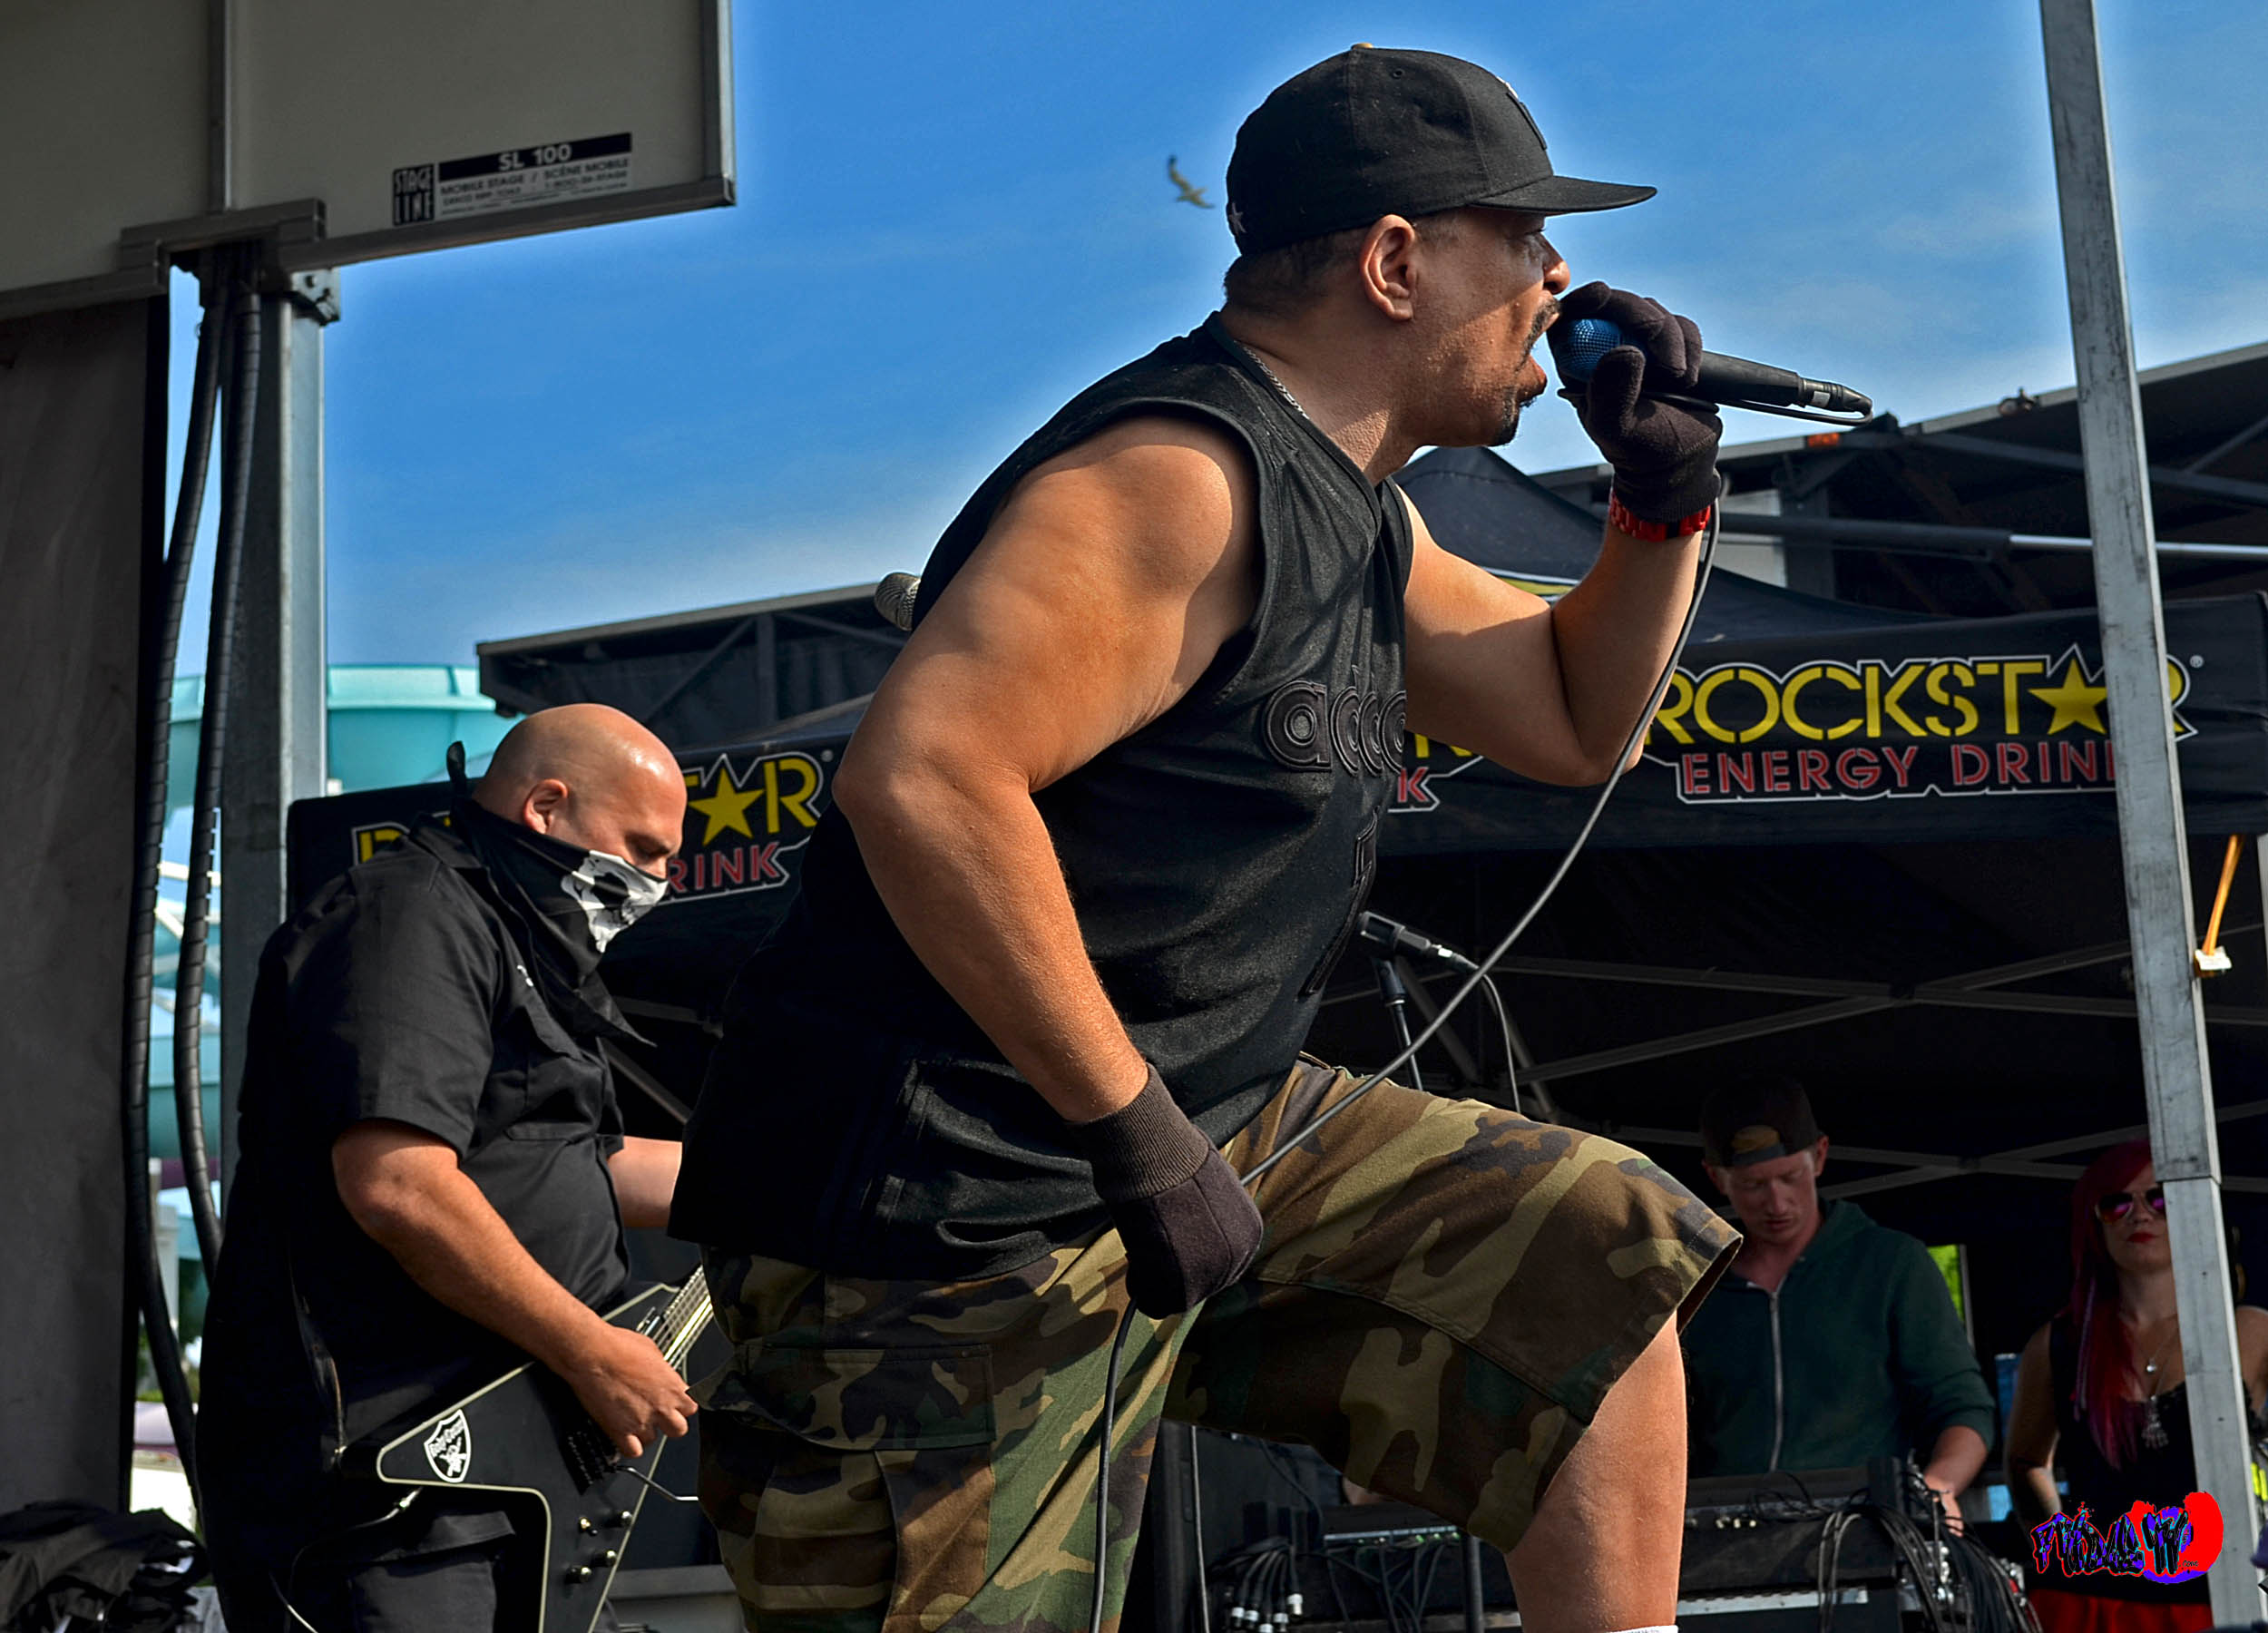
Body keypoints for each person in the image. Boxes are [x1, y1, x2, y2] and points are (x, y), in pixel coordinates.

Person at [672, 45, 1740, 1633]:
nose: (1558, 279)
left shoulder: (1365, 515)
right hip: (944, 1217)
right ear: (1395, 264)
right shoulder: (1178, 478)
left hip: (1211, 1131)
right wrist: (1139, 1135)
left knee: (1592, 1256)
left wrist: (1663, 502)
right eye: (1521, 237)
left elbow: (1582, 720)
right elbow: (927, 780)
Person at [199, 704, 702, 1633]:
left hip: (502, 1473)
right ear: (546, 806)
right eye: (643, 849)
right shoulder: (410, 913)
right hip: (389, 1482)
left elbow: (573, 1164)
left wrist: (800, 1181)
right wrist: (589, 1349)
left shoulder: (524, 943)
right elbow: (399, 1184)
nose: (658, 882)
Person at [1680, 1077, 1995, 1524]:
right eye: (1753, 1185)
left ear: (1820, 1156)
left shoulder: (1891, 1263)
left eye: (1790, 1177)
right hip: (1724, 1534)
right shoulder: (1697, 1289)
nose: (1776, 1203)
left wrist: (1939, 1488)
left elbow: (1963, 1406)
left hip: (1863, 1526)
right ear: (1716, 1178)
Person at [2003, 1141, 2268, 1633]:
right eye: (2116, 1203)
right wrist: (2061, 1546)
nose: (2140, 1214)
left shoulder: (2249, 1331)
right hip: (2087, 1605)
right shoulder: (2059, 1343)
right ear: (2096, 1223)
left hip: (2218, 1597)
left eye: (2160, 1198)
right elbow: (2024, 1463)